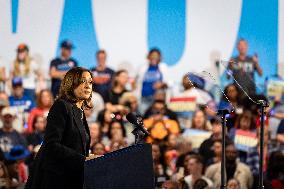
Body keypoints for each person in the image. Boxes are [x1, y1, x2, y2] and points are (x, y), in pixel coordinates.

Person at [25, 67, 98, 189]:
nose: (87, 86)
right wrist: (84, 159)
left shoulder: (80, 112)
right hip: (54, 179)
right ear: (71, 84)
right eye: (82, 81)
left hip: (71, 179)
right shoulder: (61, 106)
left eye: (90, 82)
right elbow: (51, 145)